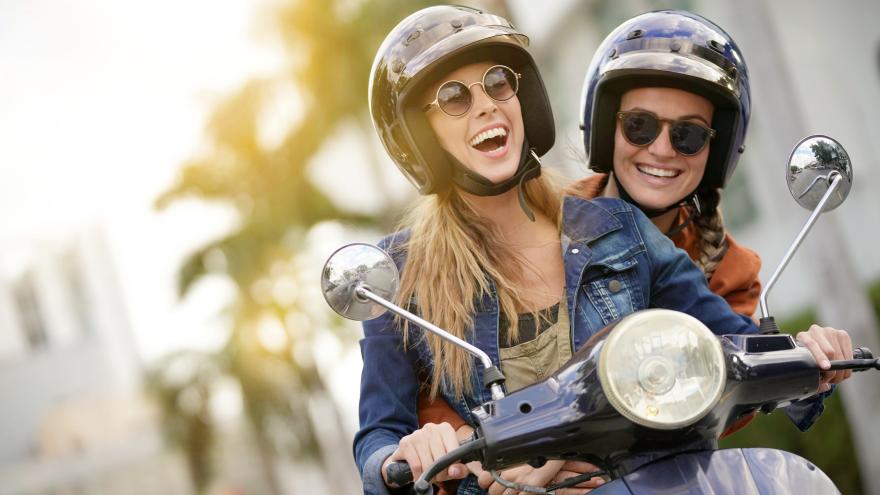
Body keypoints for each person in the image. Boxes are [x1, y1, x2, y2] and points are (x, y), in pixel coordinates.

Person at [357, 6, 853, 495]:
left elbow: (729, 345)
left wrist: (807, 354)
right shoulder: (402, 274)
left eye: (497, 83)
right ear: (418, 136)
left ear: (522, 96)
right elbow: (378, 437)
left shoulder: (617, 226)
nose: (486, 104)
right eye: (453, 97)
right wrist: (410, 453)